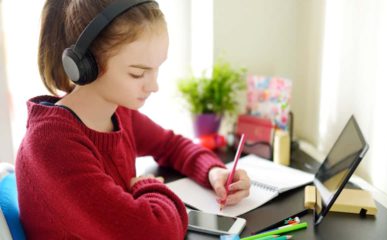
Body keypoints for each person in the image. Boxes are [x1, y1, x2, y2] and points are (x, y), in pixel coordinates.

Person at [15, 0, 250, 239]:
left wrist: (214, 172)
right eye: (137, 73)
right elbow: (158, 233)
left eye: (157, 69)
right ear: (85, 65)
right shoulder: (53, 146)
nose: (154, 85)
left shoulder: (117, 112)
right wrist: (148, 186)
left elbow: (170, 145)